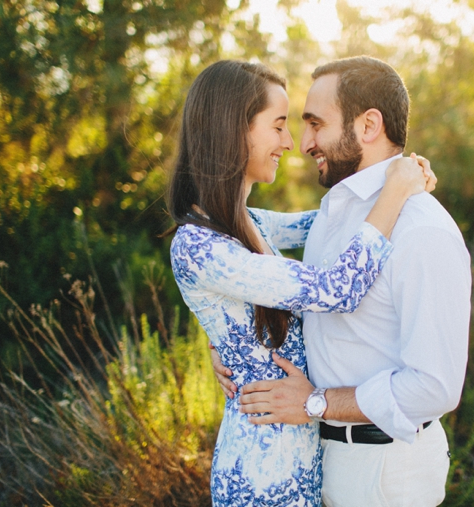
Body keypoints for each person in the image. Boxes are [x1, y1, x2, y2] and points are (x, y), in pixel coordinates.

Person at [166, 60, 434, 507]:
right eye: (277, 126)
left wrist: (397, 180)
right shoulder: (199, 245)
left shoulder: (247, 223)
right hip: (261, 475)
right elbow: (336, 289)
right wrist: (393, 191)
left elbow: (332, 222)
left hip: (302, 460)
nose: (290, 143)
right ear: (234, 131)